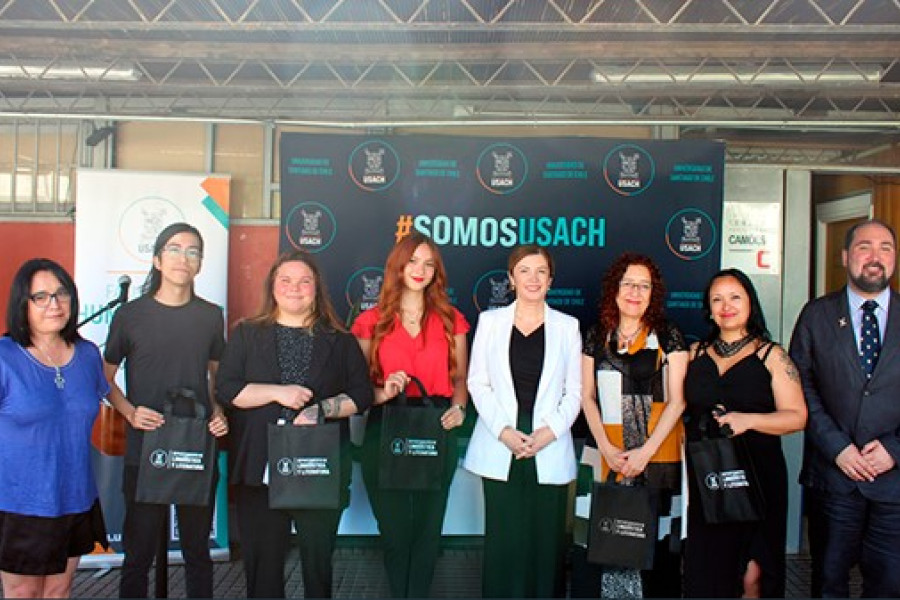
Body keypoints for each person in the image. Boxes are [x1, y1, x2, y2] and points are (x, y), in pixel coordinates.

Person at [216, 250, 372, 598]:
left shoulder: (340, 340)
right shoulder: (247, 334)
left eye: (304, 281)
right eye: (285, 280)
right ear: (272, 287)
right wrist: (277, 393)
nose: (295, 288)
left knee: (318, 569)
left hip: (319, 468)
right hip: (260, 470)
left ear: (317, 289)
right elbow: (227, 390)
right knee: (262, 572)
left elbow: (362, 395)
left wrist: (322, 410)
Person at [103, 222, 228, 599]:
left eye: (193, 251)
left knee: (197, 554)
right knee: (138, 556)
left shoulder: (210, 315)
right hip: (146, 449)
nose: (183, 258)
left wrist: (219, 412)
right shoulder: (130, 316)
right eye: (174, 249)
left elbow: (215, 381)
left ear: (200, 264)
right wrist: (129, 412)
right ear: (157, 259)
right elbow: (104, 380)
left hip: (195, 448)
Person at [351, 233, 469, 598]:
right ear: (397, 267)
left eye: (429, 263)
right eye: (413, 261)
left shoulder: (451, 320)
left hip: (436, 427)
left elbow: (461, 379)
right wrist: (383, 391)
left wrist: (459, 408)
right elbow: (356, 391)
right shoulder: (371, 321)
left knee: (429, 529)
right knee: (395, 530)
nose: (420, 270)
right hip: (384, 429)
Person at [464, 245, 582, 598]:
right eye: (524, 271)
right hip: (502, 442)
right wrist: (504, 432)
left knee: (546, 540)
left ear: (551, 279)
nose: (533, 278)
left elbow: (574, 392)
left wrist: (548, 434)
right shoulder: (490, 322)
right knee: (504, 536)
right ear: (511, 279)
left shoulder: (567, 326)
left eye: (541, 271)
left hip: (549, 441)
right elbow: (477, 383)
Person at [790, 219, 900, 598]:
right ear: (845, 256)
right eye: (864, 247)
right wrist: (838, 448)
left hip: (894, 483)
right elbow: (800, 386)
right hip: (833, 479)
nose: (875, 257)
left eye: (885, 248)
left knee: (889, 586)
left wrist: (894, 449)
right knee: (828, 584)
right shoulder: (816, 315)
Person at [683, 268, 806, 598]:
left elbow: (798, 417)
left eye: (735, 297)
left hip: (757, 479)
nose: (727, 305)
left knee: (753, 574)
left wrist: (748, 420)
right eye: (717, 299)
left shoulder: (772, 355)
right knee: (710, 570)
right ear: (708, 309)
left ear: (751, 302)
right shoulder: (695, 354)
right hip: (708, 480)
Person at [0, 259, 109, 599]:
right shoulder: (4, 357)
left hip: (74, 496)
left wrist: (135, 413)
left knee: (59, 590)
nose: (55, 304)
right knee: (24, 593)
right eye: (41, 297)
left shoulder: (89, 354)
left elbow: (107, 395)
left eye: (62, 294)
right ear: (23, 304)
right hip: (19, 502)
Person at [580, 253, 687, 598]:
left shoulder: (668, 335)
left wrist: (645, 452)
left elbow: (677, 401)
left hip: (658, 458)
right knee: (602, 543)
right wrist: (608, 450)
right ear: (614, 288)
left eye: (644, 286)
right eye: (628, 283)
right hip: (605, 456)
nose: (635, 292)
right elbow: (586, 397)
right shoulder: (596, 335)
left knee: (655, 550)